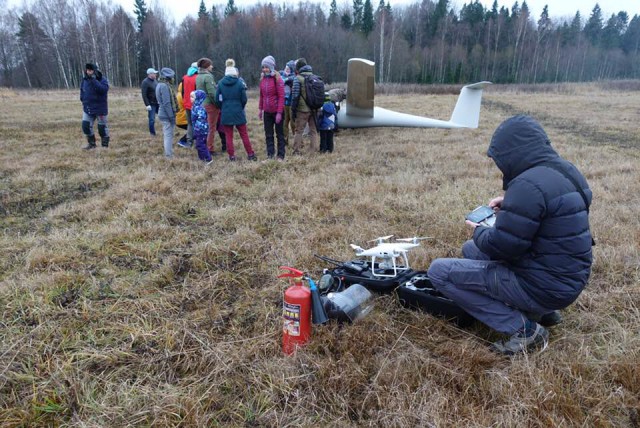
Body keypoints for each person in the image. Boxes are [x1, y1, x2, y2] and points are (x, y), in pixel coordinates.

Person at [427, 115, 593, 355]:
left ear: (512, 153)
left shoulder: (526, 185)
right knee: (470, 251)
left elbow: (502, 247)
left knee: (440, 271)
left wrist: (479, 230)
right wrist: (512, 205)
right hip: (570, 278)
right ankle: (542, 313)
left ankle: (526, 330)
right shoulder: (566, 171)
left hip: (543, 286)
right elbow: (562, 210)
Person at [215, 59, 257, 162]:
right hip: (238, 111)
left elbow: (217, 100)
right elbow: (244, 99)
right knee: (244, 134)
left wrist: (223, 107)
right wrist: (240, 107)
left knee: (229, 136)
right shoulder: (240, 83)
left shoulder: (220, 83)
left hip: (226, 112)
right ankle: (250, 154)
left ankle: (231, 156)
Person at [258, 55, 285, 160]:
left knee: (280, 135)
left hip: (277, 112)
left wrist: (279, 113)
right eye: (263, 67)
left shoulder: (278, 79)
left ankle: (281, 155)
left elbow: (281, 97)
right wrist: (260, 109)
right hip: (267, 112)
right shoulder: (262, 79)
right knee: (268, 135)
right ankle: (270, 155)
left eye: (267, 67)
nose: (265, 69)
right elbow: (261, 96)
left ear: (271, 67)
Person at [291, 58, 318, 155]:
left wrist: (293, 110)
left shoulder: (297, 78)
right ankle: (313, 150)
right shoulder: (314, 77)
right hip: (314, 109)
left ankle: (296, 151)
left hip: (302, 110)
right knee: (313, 130)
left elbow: (295, 96)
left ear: (298, 68)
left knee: (299, 131)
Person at [80, 63, 110, 149]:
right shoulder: (84, 80)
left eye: (91, 70)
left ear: (95, 71)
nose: (89, 72)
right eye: (87, 70)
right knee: (85, 126)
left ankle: (104, 146)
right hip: (88, 108)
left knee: (102, 128)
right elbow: (82, 90)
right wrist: (83, 99)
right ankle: (92, 144)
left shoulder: (102, 80)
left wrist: (94, 81)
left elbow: (103, 90)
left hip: (100, 108)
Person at [195, 57, 221, 154]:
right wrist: (218, 104)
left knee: (203, 127)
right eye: (210, 65)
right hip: (210, 106)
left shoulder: (198, 77)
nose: (212, 66)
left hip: (201, 104)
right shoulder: (208, 77)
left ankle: (201, 145)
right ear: (206, 66)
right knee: (211, 127)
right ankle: (209, 148)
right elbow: (212, 93)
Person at [155, 67, 178, 158]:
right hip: (166, 114)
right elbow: (167, 103)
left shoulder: (160, 84)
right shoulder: (164, 86)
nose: (173, 78)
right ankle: (169, 155)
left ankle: (169, 153)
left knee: (168, 134)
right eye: (171, 77)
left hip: (163, 113)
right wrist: (172, 117)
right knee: (168, 135)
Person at [190, 89, 213, 164]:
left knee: (200, 145)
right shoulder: (194, 106)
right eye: (190, 97)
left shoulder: (199, 108)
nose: (191, 98)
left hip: (201, 130)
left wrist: (198, 129)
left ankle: (208, 159)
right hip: (197, 129)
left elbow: (201, 120)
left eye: (192, 97)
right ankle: (202, 158)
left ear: (198, 99)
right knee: (200, 144)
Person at [180, 62, 198, 148]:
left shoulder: (185, 78)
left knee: (190, 124)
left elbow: (183, 91)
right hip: (196, 104)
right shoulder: (197, 78)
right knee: (198, 123)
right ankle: (199, 142)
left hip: (187, 104)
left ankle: (189, 142)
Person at [281, 60, 297, 145]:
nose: (286, 70)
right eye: (286, 68)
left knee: (293, 123)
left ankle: (297, 141)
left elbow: (292, 79)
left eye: (288, 69)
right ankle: (285, 140)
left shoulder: (294, 77)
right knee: (284, 123)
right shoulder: (282, 75)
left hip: (291, 104)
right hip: (284, 103)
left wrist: (286, 79)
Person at [141, 67, 159, 136]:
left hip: (157, 103)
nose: (155, 75)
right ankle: (152, 133)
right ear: (150, 74)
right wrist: (147, 104)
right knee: (152, 119)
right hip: (151, 104)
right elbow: (144, 94)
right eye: (154, 73)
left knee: (162, 116)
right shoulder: (145, 82)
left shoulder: (155, 81)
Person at [175, 80, 189, 146]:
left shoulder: (178, 94)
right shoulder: (182, 96)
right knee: (194, 130)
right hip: (183, 119)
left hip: (180, 118)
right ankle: (182, 141)